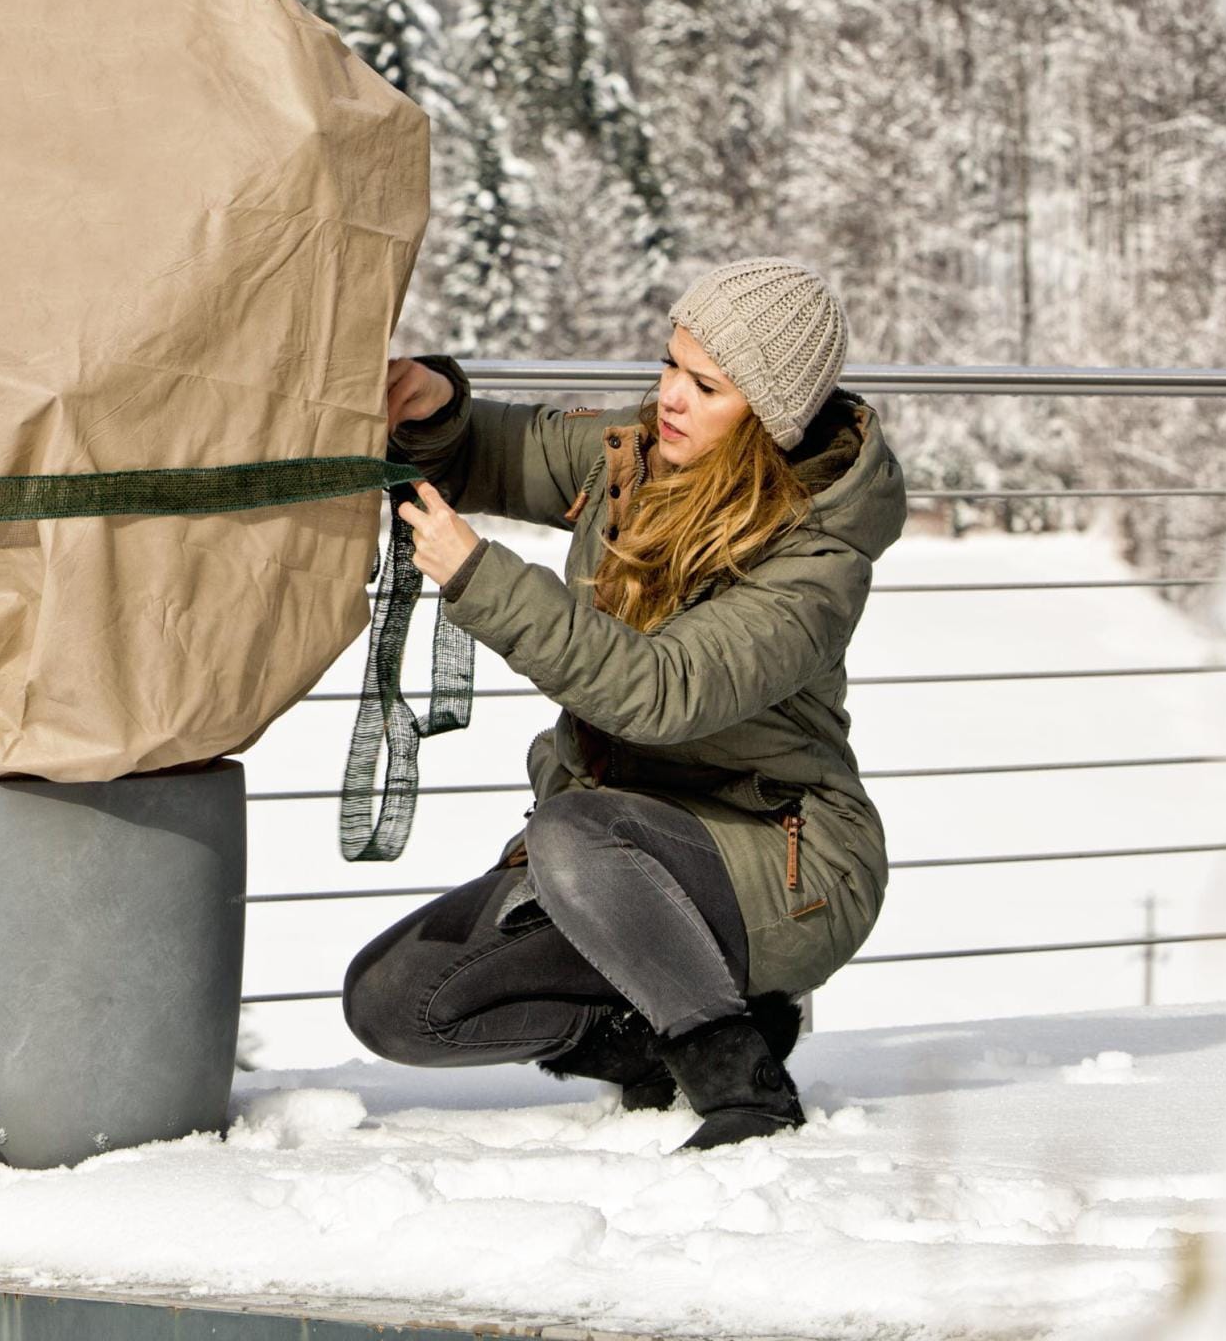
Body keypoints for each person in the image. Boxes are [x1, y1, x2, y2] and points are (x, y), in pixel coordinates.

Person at [340, 256, 908, 1151]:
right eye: (670, 364)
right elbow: (500, 452)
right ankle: (661, 1045)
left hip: (785, 864)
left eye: (705, 384)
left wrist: (484, 580)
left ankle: (739, 1081)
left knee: (575, 830)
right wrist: (434, 407)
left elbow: (662, 691)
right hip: (614, 855)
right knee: (395, 1002)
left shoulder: (817, 564)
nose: (668, 397)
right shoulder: (641, 458)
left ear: (768, 417)